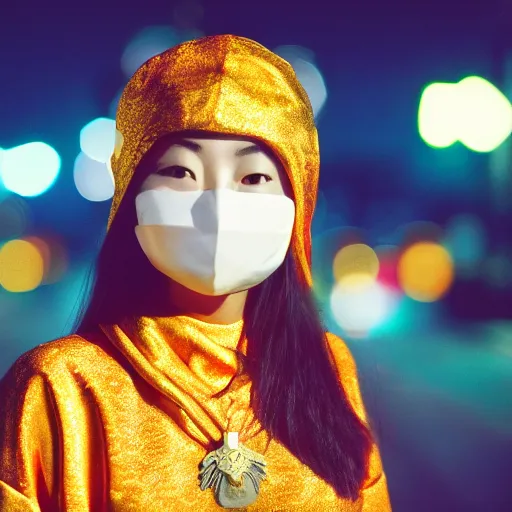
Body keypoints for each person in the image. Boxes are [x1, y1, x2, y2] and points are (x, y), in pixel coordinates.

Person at [0, 34, 391, 511]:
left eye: (253, 178)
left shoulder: (327, 366)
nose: (217, 205)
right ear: (130, 201)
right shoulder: (62, 384)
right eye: (181, 173)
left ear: (297, 206)